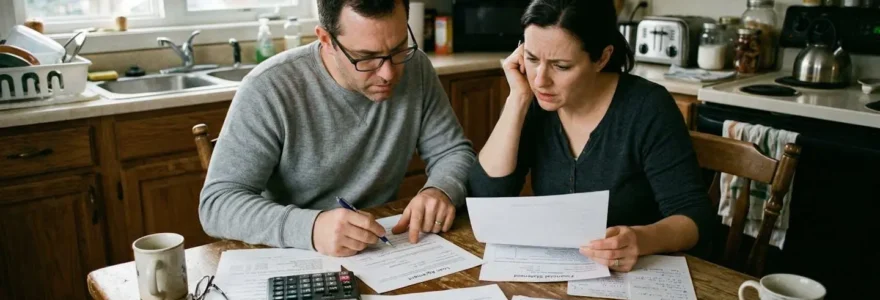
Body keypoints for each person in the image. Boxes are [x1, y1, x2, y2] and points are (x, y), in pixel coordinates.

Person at [200, 0, 475, 257]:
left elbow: (453, 152)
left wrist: (440, 190)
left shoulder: (416, 68)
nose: (388, 73)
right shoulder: (268, 88)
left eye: (399, 48)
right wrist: (312, 228)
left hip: (381, 251)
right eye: (366, 58)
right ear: (326, 40)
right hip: (296, 254)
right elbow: (217, 204)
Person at [468, 0, 714, 272]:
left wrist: (641, 239)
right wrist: (517, 99)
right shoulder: (534, 100)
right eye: (532, 58)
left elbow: (695, 216)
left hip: (638, 272)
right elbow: (486, 197)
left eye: (561, 66)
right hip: (558, 273)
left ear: (602, 58)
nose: (539, 80)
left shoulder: (647, 107)